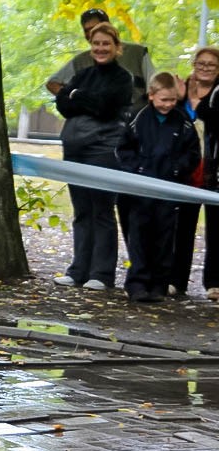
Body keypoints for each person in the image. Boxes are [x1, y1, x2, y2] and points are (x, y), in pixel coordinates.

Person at [52, 22, 133, 290]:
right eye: (96, 43)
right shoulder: (83, 74)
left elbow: (105, 108)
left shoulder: (123, 79)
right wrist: (76, 96)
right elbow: (62, 104)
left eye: (106, 44)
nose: (100, 48)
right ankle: (78, 270)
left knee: (102, 210)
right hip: (74, 149)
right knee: (81, 211)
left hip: (103, 150)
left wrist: (76, 96)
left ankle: (101, 274)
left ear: (116, 47)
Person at [116, 73, 200, 303]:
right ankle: (137, 283)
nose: (168, 105)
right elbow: (123, 150)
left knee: (164, 238)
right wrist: (137, 169)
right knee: (139, 237)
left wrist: (177, 169)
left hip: (168, 189)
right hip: (141, 189)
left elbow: (192, 153)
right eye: (163, 100)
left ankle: (159, 285)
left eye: (172, 100)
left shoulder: (182, 121)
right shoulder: (138, 118)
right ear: (151, 96)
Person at [169, 47, 219, 296]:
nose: (206, 68)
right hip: (186, 169)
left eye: (211, 64)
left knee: (217, 229)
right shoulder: (183, 88)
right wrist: (180, 99)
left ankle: (214, 283)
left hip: (214, 169)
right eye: (201, 63)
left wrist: (199, 105)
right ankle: (176, 281)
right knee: (181, 227)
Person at [46, 8, 155, 112]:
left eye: (96, 27)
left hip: (131, 123)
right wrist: (75, 101)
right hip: (88, 127)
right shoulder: (81, 63)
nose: (91, 33)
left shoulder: (137, 53)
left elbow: (154, 89)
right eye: (86, 30)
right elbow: (52, 84)